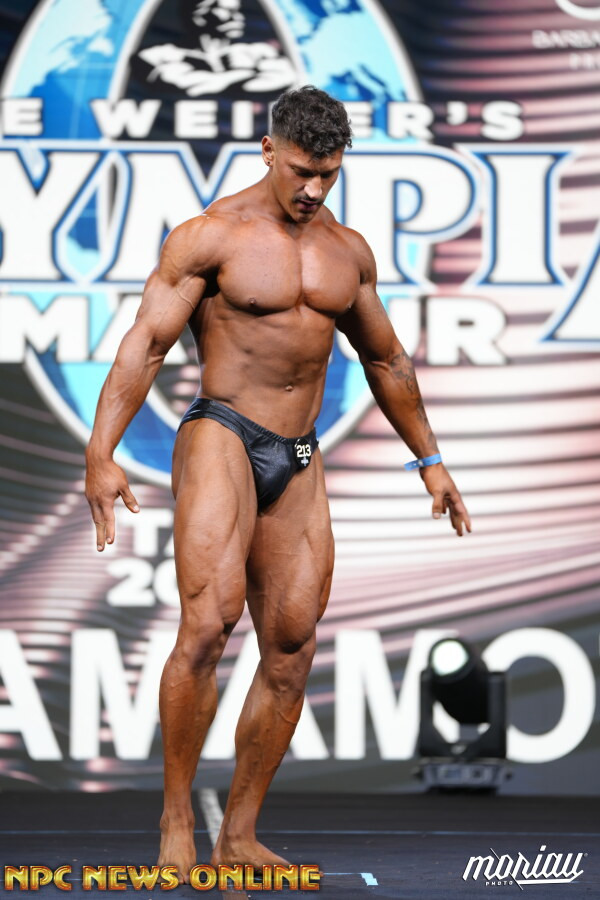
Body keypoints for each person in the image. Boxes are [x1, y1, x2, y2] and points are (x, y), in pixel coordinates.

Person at [84, 85, 471, 883]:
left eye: (329, 174)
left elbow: (386, 359)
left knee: (292, 645)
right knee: (209, 624)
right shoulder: (211, 236)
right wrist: (101, 451)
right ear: (268, 150)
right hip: (222, 431)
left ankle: (239, 836)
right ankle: (176, 817)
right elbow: (146, 343)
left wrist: (429, 460)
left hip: (298, 452)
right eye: (301, 171)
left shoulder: (347, 252)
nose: (313, 189)